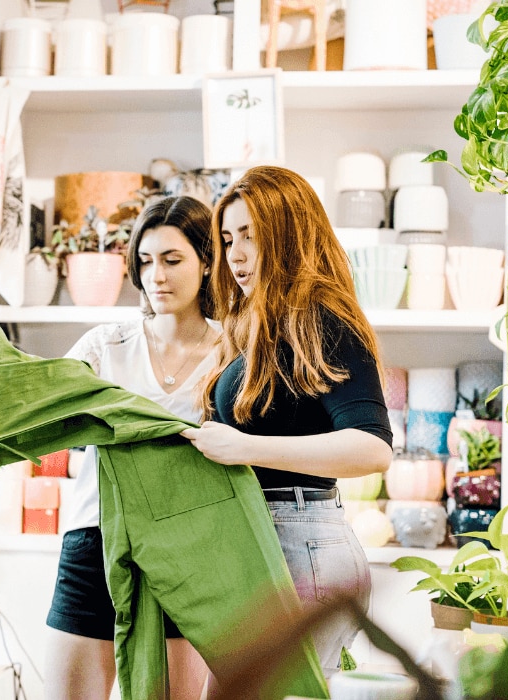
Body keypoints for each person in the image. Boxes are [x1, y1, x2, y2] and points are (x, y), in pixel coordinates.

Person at [0, 196, 218, 700]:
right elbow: (43, 395)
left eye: (172, 259)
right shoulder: (107, 345)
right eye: (145, 261)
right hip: (94, 541)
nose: (156, 275)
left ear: (207, 262)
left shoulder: (235, 355)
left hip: (186, 552)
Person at [180, 166, 393, 677]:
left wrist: (247, 449)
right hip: (272, 538)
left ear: (289, 231)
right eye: (228, 239)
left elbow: (373, 448)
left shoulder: (321, 317)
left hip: (302, 544)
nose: (235, 255)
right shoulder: (261, 325)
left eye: (251, 236)